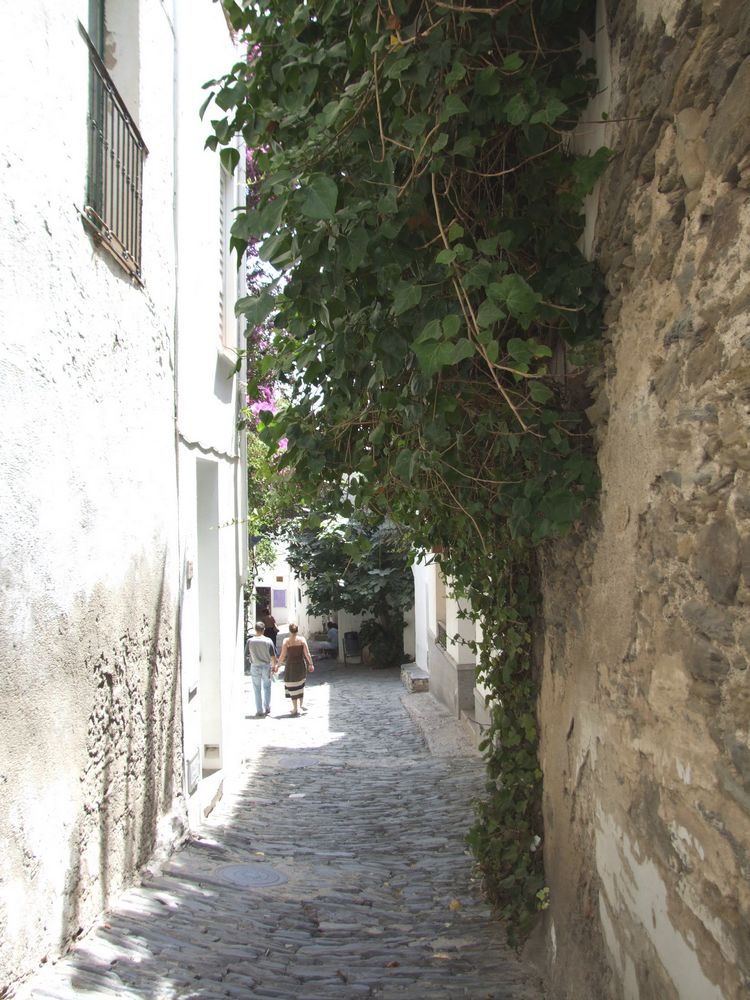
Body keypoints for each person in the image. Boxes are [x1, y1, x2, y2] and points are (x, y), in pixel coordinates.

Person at [275, 623, 314, 716]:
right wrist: (311, 664)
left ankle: (295, 708)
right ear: (297, 630)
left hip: (291, 666)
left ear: (289, 631)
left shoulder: (286, 641)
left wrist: (277, 665)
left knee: (292, 686)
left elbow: (283, 655)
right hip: (301, 665)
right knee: (300, 684)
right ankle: (301, 705)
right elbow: (307, 653)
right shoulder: (302, 640)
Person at [245, 621, 278, 718]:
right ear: (264, 630)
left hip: (255, 666)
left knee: (257, 689)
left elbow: (246, 654)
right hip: (266, 666)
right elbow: (273, 656)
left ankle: (259, 710)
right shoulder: (268, 641)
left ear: (255, 629)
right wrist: (274, 666)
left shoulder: (250, 641)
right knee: (267, 687)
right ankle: (267, 707)